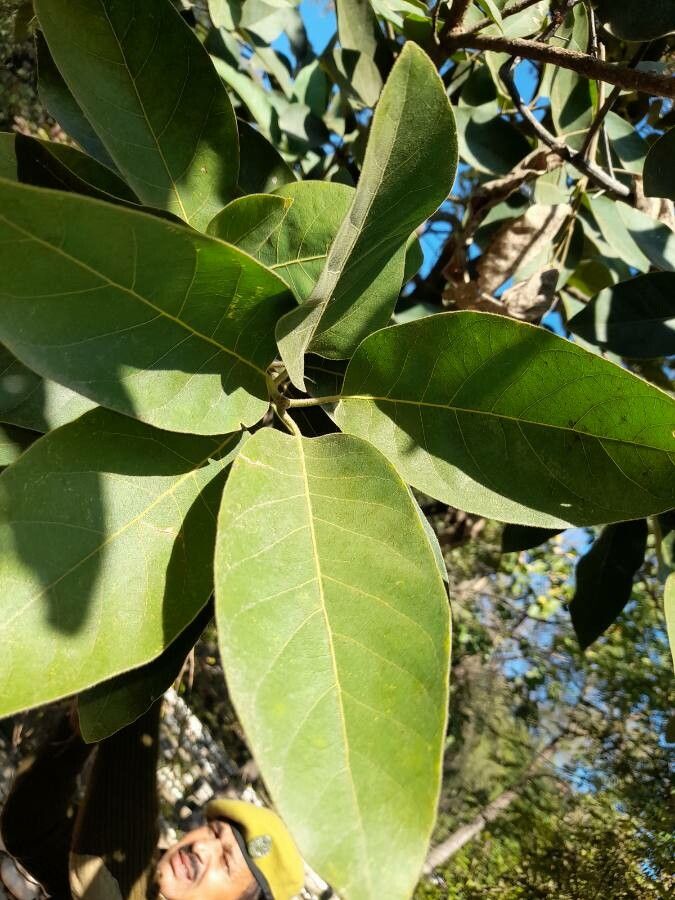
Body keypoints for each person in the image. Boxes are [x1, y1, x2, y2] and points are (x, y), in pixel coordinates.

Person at [0, 701, 304, 900]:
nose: (201, 847)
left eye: (225, 862)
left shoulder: (132, 872)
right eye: (213, 832)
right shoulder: (147, 869)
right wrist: (78, 735)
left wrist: (139, 695)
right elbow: (28, 831)